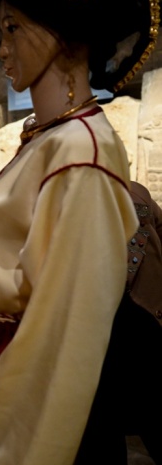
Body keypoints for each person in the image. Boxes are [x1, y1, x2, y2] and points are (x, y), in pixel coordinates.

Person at [0, 0, 158, 464]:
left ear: (60, 31)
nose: (1, 50)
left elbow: (63, 338)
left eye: (12, 28)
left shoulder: (80, 153)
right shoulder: (51, 139)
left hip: (20, 390)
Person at [77, 181, 162, 463]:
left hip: (115, 321)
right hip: (140, 317)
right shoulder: (134, 191)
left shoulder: (71, 196)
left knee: (103, 420)